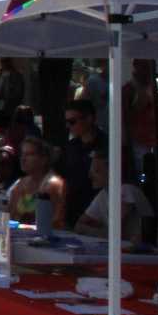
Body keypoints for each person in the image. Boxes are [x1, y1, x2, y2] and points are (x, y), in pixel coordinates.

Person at [127, 58, 158, 212]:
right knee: (144, 179)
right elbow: (126, 117)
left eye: (146, 66)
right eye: (139, 67)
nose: (142, 71)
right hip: (140, 142)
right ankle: (146, 210)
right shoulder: (129, 89)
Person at [76, 149, 151, 238]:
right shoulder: (103, 194)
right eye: (91, 171)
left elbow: (115, 234)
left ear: (112, 172)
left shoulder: (127, 190)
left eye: (97, 171)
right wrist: (100, 230)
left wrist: (88, 229)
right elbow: (78, 225)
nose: (90, 176)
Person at [56, 97, 104, 229]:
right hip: (72, 210)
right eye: (66, 122)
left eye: (72, 121)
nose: (68, 126)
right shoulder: (71, 146)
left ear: (89, 119)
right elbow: (63, 179)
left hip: (97, 212)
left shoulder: (106, 145)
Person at [5, 135, 67, 228]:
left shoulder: (54, 184)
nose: (23, 159)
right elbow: (10, 217)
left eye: (29, 154)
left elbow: (56, 222)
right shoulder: (20, 183)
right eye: (22, 154)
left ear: (44, 159)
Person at [0, 57, 27, 126]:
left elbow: (18, 94)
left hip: (11, 110)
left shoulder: (17, 76)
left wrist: (8, 99)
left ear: (10, 62)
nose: (3, 63)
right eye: (2, 61)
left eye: (6, 61)